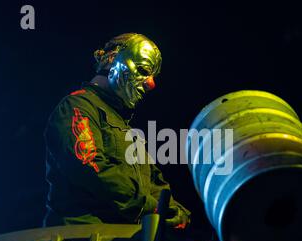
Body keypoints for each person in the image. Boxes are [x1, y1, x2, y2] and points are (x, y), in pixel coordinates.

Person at [43, 33, 191, 229]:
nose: (150, 84)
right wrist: (151, 208)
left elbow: (154, 183)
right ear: (112, 58)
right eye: (144, 70)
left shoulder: (125, 129)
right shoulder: (77, 107)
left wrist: (178, 212)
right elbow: (89, 167)